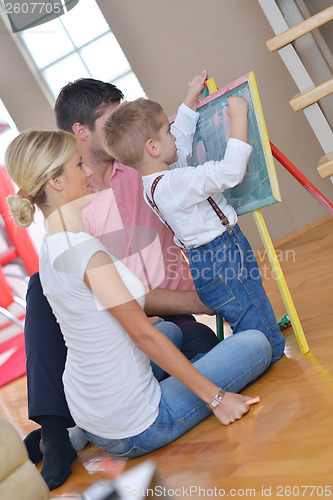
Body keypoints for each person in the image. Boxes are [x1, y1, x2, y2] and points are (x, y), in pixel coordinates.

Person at [6, 130, 272, 479]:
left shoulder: (53, 247)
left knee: (171, 330)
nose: (88, 173)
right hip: (138, 427)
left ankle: (79, 434)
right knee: (257, 344)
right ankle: (102, 428)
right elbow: (143, 336)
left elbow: (133, 298)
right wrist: (217, 400)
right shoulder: (87, 254)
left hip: (90, 411)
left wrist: (203, 302)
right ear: (56, 181)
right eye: (79, 164)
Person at [22, 73, 221, 490]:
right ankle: (57, 432)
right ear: (80, 133)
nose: (123, 123)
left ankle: (80, 430)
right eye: (112, 119)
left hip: (165, 316)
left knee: (201, 352)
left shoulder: (141, 163)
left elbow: (175, 137)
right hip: (127, 325)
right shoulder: (73, 208)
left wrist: (193, 101)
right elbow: (111, 303)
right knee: (41, 286)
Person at [103, 93, 286, 364]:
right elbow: (229, 172)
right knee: (262, 329)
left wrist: (189, 103)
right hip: (222, 255)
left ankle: (241, 350)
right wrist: (239, 118)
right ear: (152, 147)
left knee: (244, 311)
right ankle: (240, 361)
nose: (173, 136)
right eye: (168, 132)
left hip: (205, 260)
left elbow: (183, 144)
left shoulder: (156, 183)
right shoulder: (175, 184)